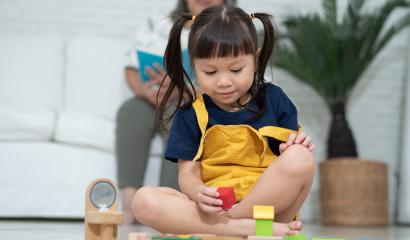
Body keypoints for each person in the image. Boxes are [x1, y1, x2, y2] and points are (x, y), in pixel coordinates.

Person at [131, 5, 316, 236]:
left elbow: (287, 166)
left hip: (268, 215)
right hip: (214, 213)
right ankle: (239, 229)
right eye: (210, 72)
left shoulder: (276, 100)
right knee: (144, 200)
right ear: (195, 66)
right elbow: (188, 174)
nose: (224, 82)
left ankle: (229, 226)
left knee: (302, 158)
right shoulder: (190, 114)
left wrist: (294, 147)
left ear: (256, 60)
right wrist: (198, 192)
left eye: (236, 69)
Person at [116, 0, 237, 225]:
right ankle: (129, 207)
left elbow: (235, 81)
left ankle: (170, 204)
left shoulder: (230, 29)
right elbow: (131, 68)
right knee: (130, 111)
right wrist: (144, 91)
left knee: (181, 116)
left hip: (191, 101)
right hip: (152, 99)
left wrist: (181, 88)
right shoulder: (156, 25)